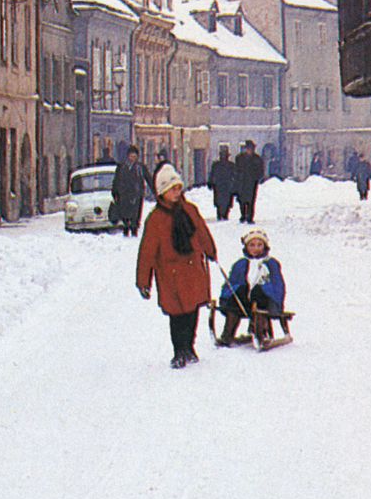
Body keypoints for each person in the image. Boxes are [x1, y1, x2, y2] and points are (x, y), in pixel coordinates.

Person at [136, 163, 217, 369]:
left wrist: (210, 250)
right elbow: (147, 252)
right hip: (170, 272)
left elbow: (202, 232)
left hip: (192, 268)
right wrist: (143, 281)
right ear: (162, 192)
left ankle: (189, 346)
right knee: (177, 313)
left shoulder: (189, 210)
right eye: (172, 189)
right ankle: (179, 350)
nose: (176, 192)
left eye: (178, 188)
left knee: (192, 310)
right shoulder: (155, 219)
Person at [216, 227, 286, 347]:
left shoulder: (270, 263)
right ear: (246, 247)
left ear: (265, 246)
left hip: (264, 300)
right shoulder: (240, 264)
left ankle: (260, 331)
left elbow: (278, 285)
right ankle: (228, 334)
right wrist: (226, 297)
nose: (256, 249)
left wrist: (275, 300)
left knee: (258, 291)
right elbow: (231, 283)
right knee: (238, 293)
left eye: (259, 245)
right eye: (252, 245)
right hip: (244, 302)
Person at [111, 145, 151, 236]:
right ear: (128, 156)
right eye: (131, 156)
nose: (132, 158)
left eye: (134, 156)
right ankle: (126, 229)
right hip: (124, 194)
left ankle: (134, 230)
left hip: (136, 194)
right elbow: (116, 180)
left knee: (135, 214)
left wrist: (156, 191)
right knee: (125, 213)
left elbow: (148, 179)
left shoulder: (140, 167)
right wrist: (115, 191)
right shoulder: (122, 167)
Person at [235, 140, 265, 223]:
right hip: (242, 182)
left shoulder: (257, 159)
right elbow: (236, 170)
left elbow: (260, 170)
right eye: (248, 148)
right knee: (242, 200)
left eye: (251, 148)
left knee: (251, 200)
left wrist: (257, 178)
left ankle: (250, 217)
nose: (249, 150)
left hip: (252, 182)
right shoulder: (240, 158)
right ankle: (243, 215)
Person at [207, 147, 235, 220]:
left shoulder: (231, 165)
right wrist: (210, 182)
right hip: (219, 186)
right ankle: (220, 214)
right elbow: (212, 174)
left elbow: (235, 176)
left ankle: (224, 214)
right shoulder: (216, 165)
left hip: (226, 186)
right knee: (219, 201)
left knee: (226, 201)